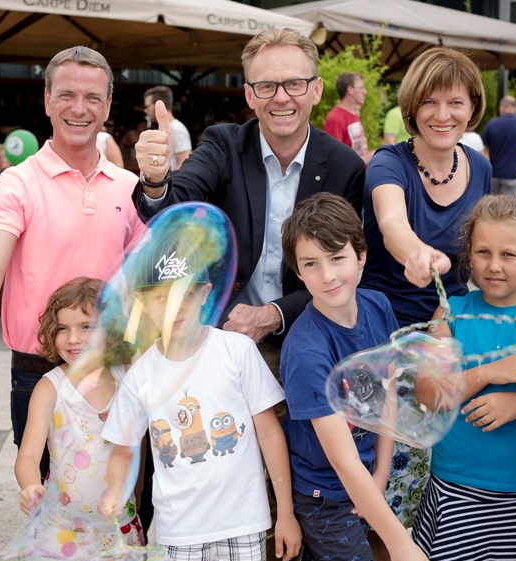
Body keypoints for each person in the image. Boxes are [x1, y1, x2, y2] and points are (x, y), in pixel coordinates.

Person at [0, 46, 146, 484]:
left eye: (93, 97)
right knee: (46, 506)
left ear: (108, 106)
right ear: (47, 99)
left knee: (123, 505)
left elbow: (148, 281)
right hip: (39, 370)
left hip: (116, 368)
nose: (79, 108)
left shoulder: (130, 187)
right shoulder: (17, 182)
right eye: (67, 94)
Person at [133, 28, 365, 347]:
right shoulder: (223, 145)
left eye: (294, 84)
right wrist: (156, 179)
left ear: (316, 90)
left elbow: (347, 268)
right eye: (267, 86)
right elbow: (174, 207)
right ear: (249, 95)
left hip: (307, 336)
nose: (281, 97)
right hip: (218, 334)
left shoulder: (344, 166)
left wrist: (274, 314)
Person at [99, 236, 301, 561]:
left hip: (244, 523)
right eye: (159, 299)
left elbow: (269, 434)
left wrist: (286, 514)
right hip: (178, 532)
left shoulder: (237, 351)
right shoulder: (140, 375)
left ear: (204, 293)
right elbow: (123, 448)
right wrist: (115, 496)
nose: (173, 309)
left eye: (184, 295)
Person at [361, 46, 491, 529]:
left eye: (456, 102)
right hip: (386, 339)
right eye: (430, 103)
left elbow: (482, 251)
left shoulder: (479, 167)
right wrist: (415, 252)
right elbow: (391, 223)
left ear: (472, 106)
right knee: (391, 484)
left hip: (448, 334)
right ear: (412, 106)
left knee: (445, 478)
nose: (443, 115)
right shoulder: (388, 163)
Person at [411, 195, 516, 561]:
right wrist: (489, 372)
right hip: (455, 494)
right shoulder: (452, 312)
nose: (494, 266)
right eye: (483, 252)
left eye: (509, 255)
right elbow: (426, 393)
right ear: (469, 253)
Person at [278, 193, 431, 561]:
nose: (327, 276)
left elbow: (388, 393)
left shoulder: (378, 306)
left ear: (361, 254)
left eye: (337, 258)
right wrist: (402, 545)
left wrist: (380, 474)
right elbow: (342, 461)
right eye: (311, 264)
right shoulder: (306, 353)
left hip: (369, 476)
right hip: (326, 497)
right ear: (298, 272)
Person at [14, 277, 143, 557]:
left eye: (87, 327)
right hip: (60, 530)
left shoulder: (129, 378)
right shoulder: (50, 388)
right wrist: (30, 485)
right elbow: (27, 456)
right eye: (63, 329)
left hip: (117, 529)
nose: (73, 339)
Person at [481, 95, 516, 197]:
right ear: (515, 108)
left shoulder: (491, 125)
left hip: (493, 174)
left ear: (502, 107)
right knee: (510, 207)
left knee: (492, 207)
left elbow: (484, 150)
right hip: (513, 174)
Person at [143, 85, 192, 170]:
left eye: (147, 106)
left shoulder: (177, 129)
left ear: (158, 105)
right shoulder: (169, 127)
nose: (145, 110)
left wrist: (174, 182)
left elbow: (184, 163)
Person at [323, 72, 370, 160]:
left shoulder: (354, 114)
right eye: (361, 88)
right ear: (350, 90)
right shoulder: (335, 118)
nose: (365, 92)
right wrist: (366, 159)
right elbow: (335, 158)